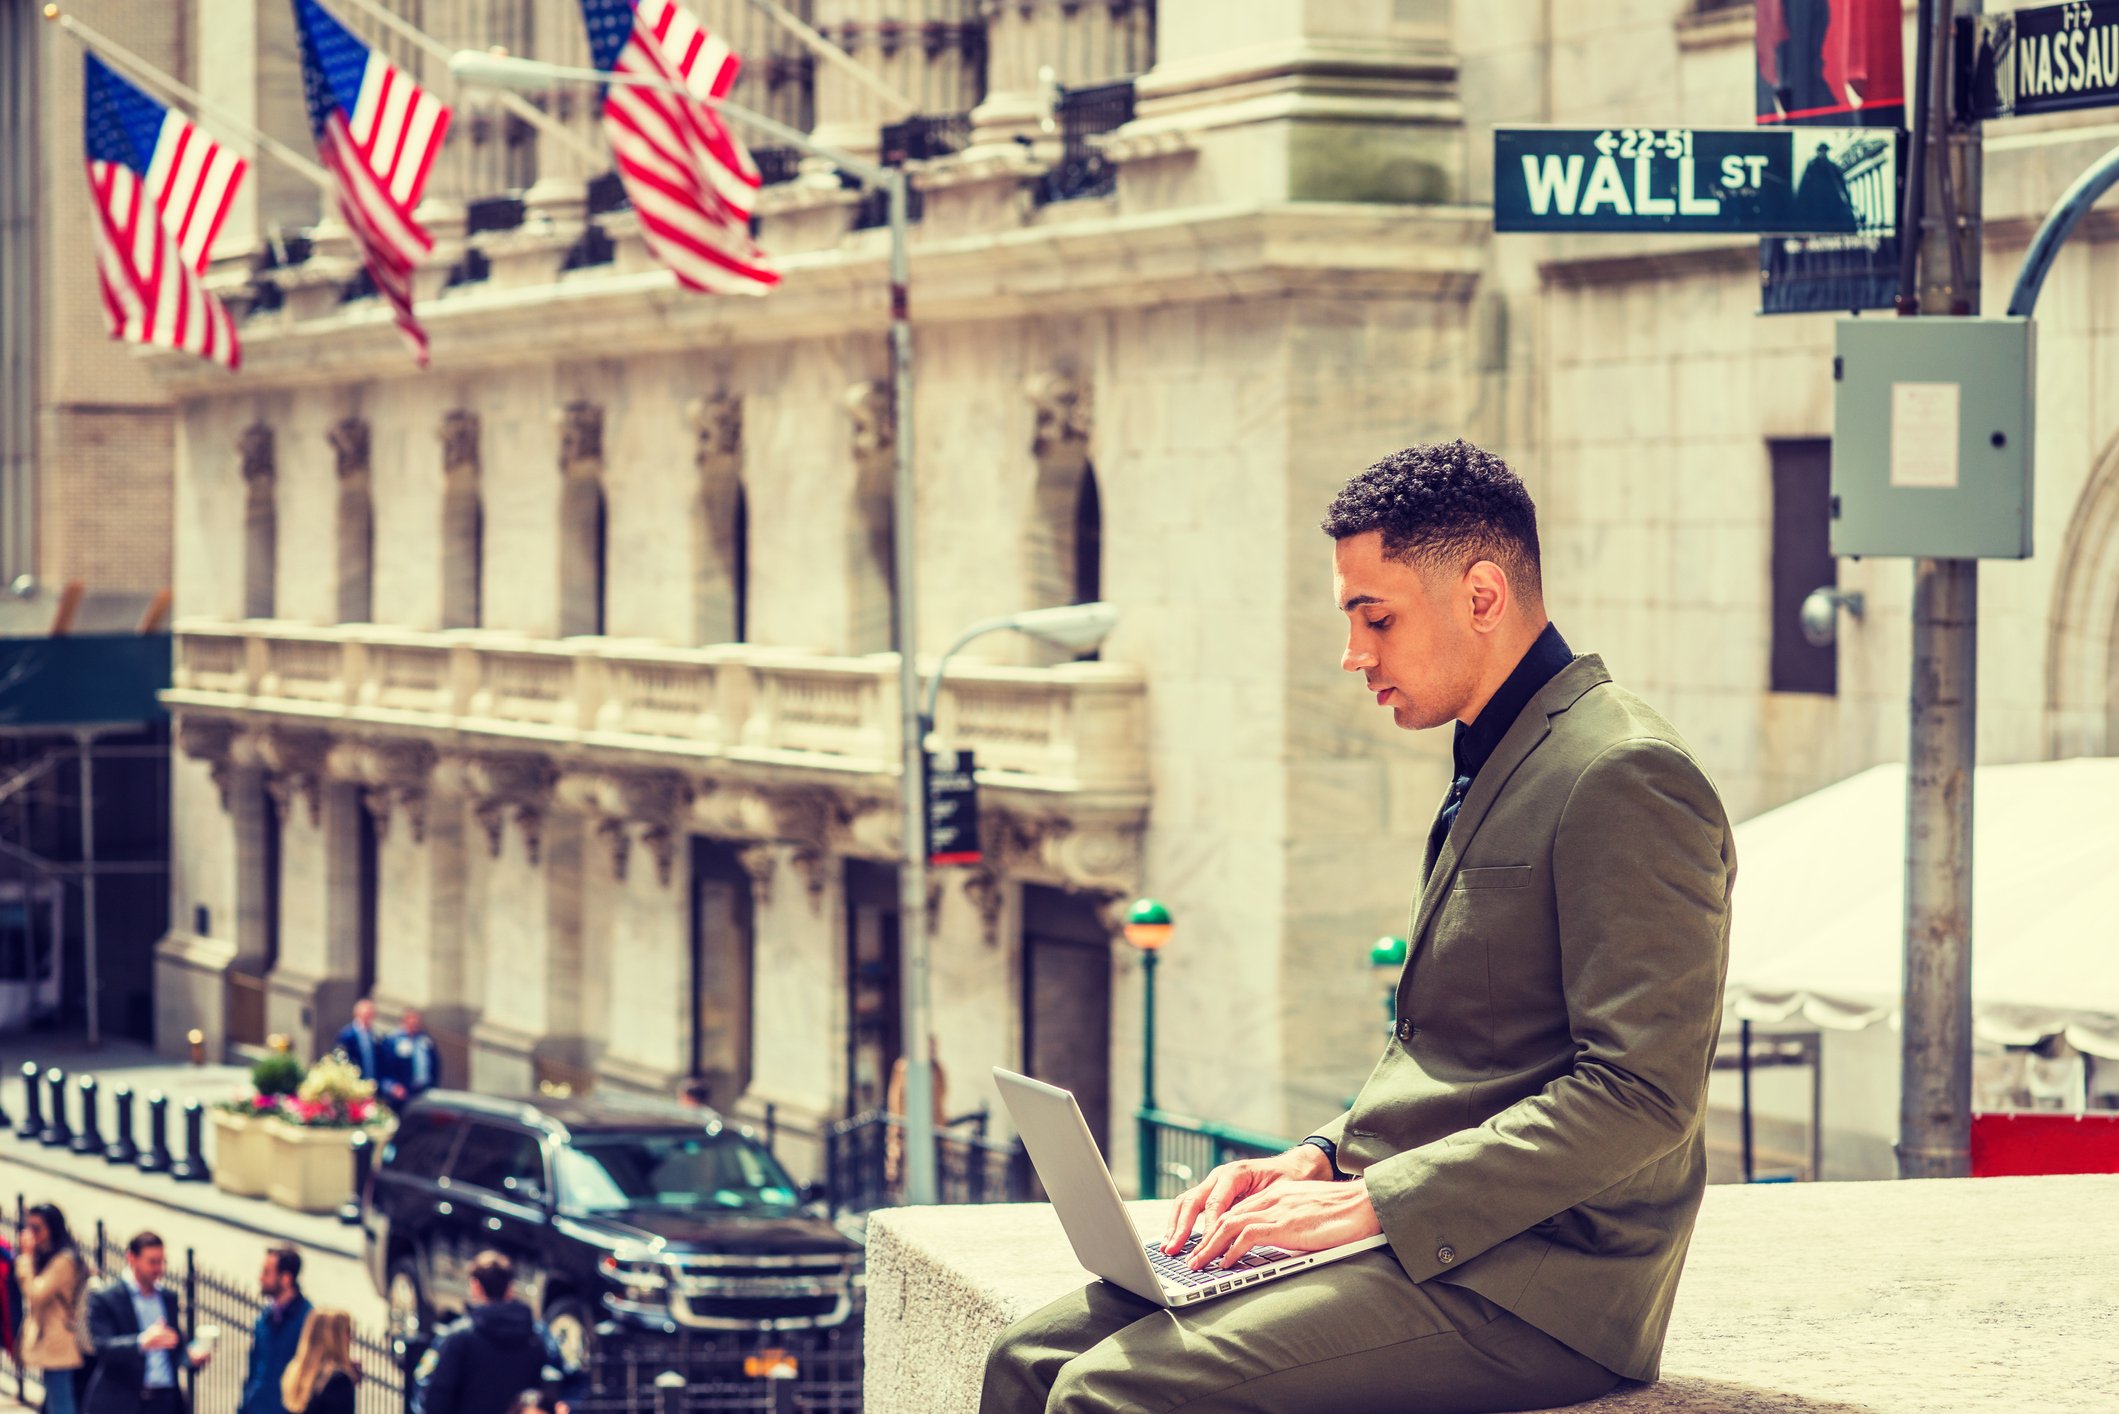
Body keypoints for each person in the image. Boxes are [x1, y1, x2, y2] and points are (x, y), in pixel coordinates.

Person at [982, 441, 1736, 1412]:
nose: (1353, 654)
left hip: (1547, 1284)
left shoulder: (1624, 772)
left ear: (1480, 595)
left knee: (1110, 1395)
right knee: (1024, 1358)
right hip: (1430, 1237)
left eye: (1374, 617)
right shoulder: (1500, 752)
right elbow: (1473, 1055)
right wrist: (1324, 1155)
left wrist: (1370, 1202)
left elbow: (1640, 1092)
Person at [412, 1252, 583, 1414]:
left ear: (475, 1286)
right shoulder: (538, 1335)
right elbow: (572, 1381)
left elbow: (431, 1395)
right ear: (510, 1288)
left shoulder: (457, 1336)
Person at [83, 1231, 209, 1414]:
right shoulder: (107, 1299)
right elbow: (102, 1347)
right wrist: (142, 1342)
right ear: (132, 1258)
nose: (159, 1269)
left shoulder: (168, 1298)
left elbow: (175, 1347)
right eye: (152, 1262)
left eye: (162, 1261)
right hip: (124, 1400)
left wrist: (190, 1357)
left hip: (164, 1400)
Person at [19, 1203, 88, 1414]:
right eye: (28, 1227)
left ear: (52, 1228)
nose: (31, 1234)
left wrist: (26, 1257)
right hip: (51, 1341)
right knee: (53, 1401)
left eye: (37, 1228)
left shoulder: (64, 1261)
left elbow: (36, 1294)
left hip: (61, 1343)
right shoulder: (51, 1256)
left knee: (61, 1403)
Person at [241, 1246, 312, 1414]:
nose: (260, 1278)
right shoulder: (263, 1319)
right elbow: (254, 1371)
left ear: (286, 1278)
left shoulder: (308, 1321)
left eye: (267, 1272)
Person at [279, 1309, 358, 1414]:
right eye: (348, 1331)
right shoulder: (338, 1380)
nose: (351, 1338)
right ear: (336, 1336)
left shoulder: (295, 1372)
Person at [382, 1007, 442, 1108]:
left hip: (424, 1090)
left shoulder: (425, 1040)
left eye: (417, 1021)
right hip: (403, 1092)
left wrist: (433, 1084)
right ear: (404, 1022)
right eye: (411, 1021)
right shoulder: (393, 1041)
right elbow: (385, 1067)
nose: (414, 1024)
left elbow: (435, 1063)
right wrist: (392, 1087)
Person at [333, 999, 386, 1085]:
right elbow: (341, 1058)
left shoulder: (376, 1035)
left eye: (371, 1015)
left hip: (373, 1085)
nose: (369, 1018)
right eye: (366, 1015)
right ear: (357, 1014)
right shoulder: (347, 1034)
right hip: (354, 1084)